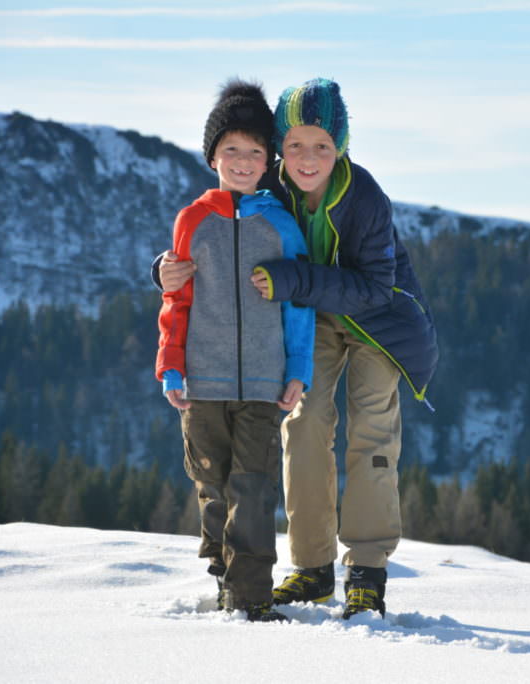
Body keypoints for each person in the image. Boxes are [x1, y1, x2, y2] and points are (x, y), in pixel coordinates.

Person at [157, 77, 438, 619]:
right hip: (315, 318)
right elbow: (222, 240)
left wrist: (294, 281)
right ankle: (312, 567)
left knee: (372, 430)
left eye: (323, 146)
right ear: (280, 148)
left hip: (379, 324)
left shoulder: (365, 199)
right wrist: (162, 271)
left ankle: (367, 570)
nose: (308, 158)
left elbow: (376, 288)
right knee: (303, 423)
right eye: (296, 145)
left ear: (342, 148)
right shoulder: (272, 189)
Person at [155, 79, 315, 623]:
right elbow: (176, 300)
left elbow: (298, 304)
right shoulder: (191, 221)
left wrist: (298, 368)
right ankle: (224, 574)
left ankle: (250, 597)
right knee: (213, 486)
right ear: (212, 156)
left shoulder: (281, 225)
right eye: (231, 151)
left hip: (265, 384)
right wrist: (170, 364)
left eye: (254, 152)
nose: (243, 161)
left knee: (253, 487)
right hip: (202, 382)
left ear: (268, 159)